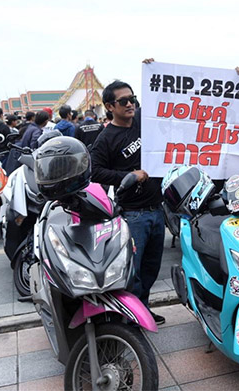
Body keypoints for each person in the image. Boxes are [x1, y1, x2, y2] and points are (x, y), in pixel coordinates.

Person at [90, 80, 165, 325]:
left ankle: (143, 309)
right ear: (110, 106)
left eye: (132, 99)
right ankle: (131, 317)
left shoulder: (144, 122)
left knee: (151, 269)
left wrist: (154, 71)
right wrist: (129, 176)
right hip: (132, 215)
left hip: (157, 209)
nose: (130, 104)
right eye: (124, 101)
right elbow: (95, 172)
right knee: (133, 271)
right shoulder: (105, 138)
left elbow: (168, 100)